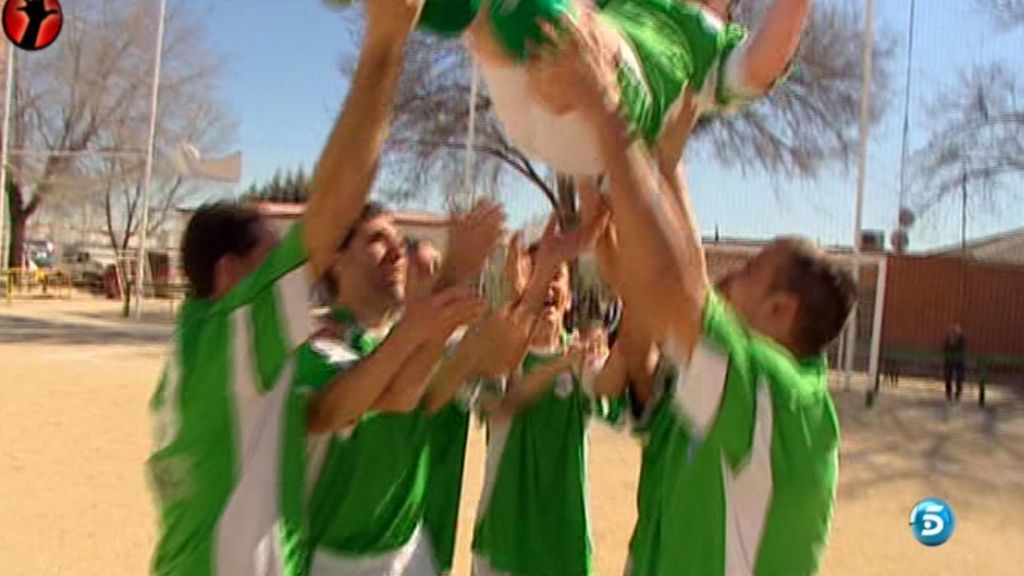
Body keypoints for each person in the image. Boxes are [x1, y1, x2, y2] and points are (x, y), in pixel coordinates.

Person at [549, 21, 856, 575]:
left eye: (749, 272)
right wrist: (659, 168)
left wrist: (608, 114)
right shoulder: (725, 391)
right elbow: (660, 297)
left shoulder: (776, 398)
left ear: (780, 310)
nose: (726, 277)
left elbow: (677, 290)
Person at [145, 2, 429, 575]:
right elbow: (332, 211)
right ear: (230, 277)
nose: (297, 277)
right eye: (274, 263)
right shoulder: (233, 334)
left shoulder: (204, 354)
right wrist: (385, 44)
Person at [299, 201, 503, 576]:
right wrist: (453, 275)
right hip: (335, 563)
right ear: (335, 261)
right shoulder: (315, 352)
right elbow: (395, 393)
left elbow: (423, 383)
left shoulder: (398, 344)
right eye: (377, 239)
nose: (398, 252)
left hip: (411, 555)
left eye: (400, 240)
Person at [458, 0, 812, 176]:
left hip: (606, 122)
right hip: (530, 91)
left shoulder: (719, 43)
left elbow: (766, 61)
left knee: (572, 30)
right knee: (489, 16)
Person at [471, 232, 628, 576]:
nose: (545, 283)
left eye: (554, 274)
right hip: (503, 545)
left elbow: (611, 394)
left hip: (565, 549)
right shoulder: (501, 356)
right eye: (536, 273)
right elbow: (501, 405)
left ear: (569, 299)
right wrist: (555, 362)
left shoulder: (584, 357)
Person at [943, 324, 966, 403]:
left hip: (959, 361)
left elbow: (962, 349)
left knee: (959, 378)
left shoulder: (962, 340)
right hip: (949, 360)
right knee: (948, 376)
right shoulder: (948, 339)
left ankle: (958, 394)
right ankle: (949, 393)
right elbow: (945, 349)